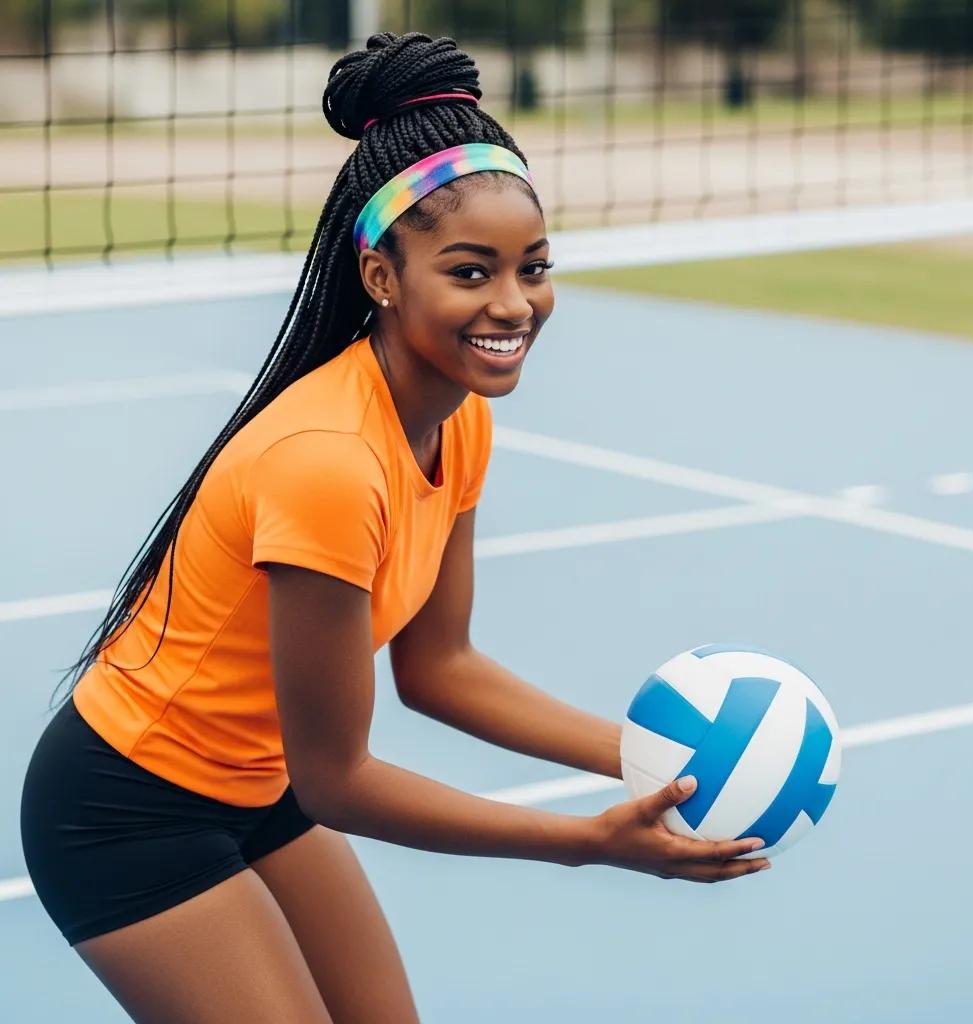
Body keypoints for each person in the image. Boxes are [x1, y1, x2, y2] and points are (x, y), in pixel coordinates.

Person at [19, 32, 770, 1024]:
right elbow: (342, 781)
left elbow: (439, 667)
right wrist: (589, 841)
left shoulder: (458, 422)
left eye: (532, 266)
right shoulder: (327, 461)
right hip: (126, 810)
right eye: (471, 273)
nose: (515, 303)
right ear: (381, 277)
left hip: (263, 776)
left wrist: (658, 757)